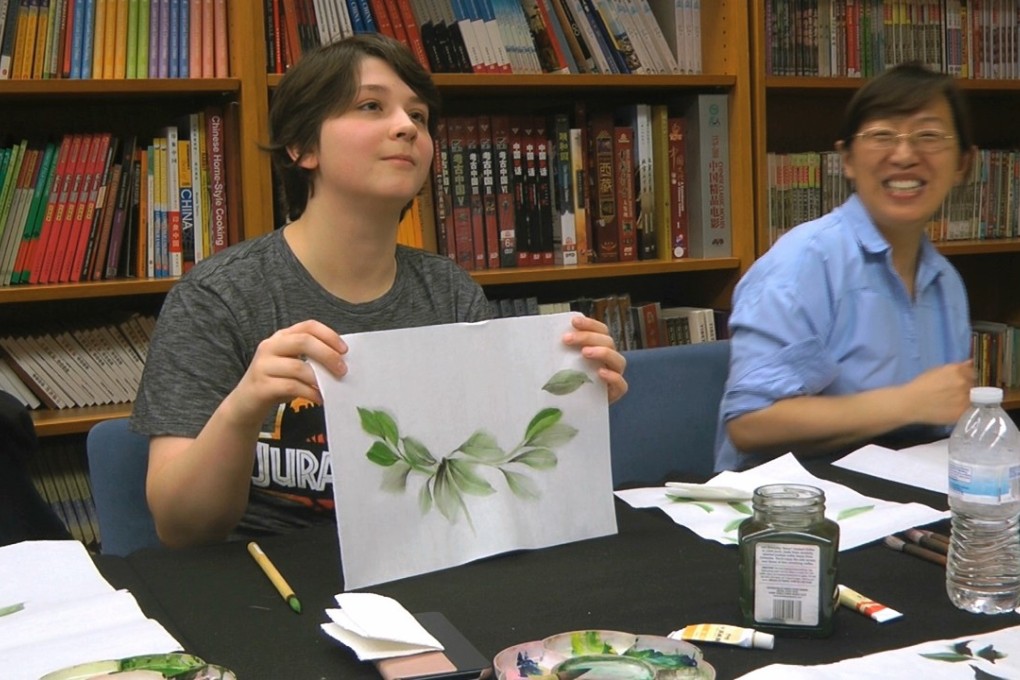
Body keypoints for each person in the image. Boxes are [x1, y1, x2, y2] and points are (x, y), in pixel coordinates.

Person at [131, 34, 628, 548]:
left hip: (425, 560)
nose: (405, 127)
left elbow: (484, 477)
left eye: (418, 116)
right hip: (273, 577)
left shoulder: (449, 292)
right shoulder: (218, 297)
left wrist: (572, 400)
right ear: (302, 146)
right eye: (371, 106)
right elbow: (181, 527)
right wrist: (243, 407)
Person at [714, 61, 976, 472]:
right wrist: (906, 403)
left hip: (906, 498)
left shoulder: (946, 282)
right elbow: (750, 422)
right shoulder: (806, 263)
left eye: (929, 135)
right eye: (882, 135)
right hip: (797, 509)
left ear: (963, 164)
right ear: (847, 160)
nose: (905, 154)